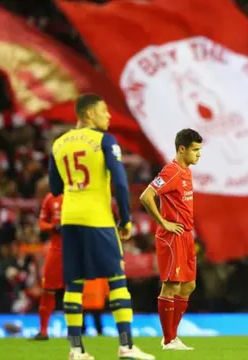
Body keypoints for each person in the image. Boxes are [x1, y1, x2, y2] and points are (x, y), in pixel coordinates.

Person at [49, 93, 154, 360]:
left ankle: (75, 350)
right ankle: (127, 346)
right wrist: (126, 219)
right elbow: (120, 182)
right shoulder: (105, 140)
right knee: (117, 280)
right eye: (105, 110)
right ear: (89, 114)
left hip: (70, 219)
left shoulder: (59, 144)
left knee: (73, 285)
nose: (108, 116)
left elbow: (54, 188)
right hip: (97, 218)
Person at [140, 128, 202, 351]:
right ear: (182, 149)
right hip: (172, 235)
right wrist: (162, 222)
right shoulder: (172, 171)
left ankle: (172, 336)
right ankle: (169, 340)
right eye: (195, 150)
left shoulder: (186, 171)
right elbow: (146, 196)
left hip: (186, 235)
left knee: (189, 285)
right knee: (171, 286)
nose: (199, 154)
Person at [33, 192, 64, 340]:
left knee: (75, 290)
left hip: (76, 250)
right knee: (48, 289)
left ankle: (76, 330)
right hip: (56, 250)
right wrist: (53, 227)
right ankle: (43, 331)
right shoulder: (51, 198)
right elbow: (41, 223)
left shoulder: (78, 195)